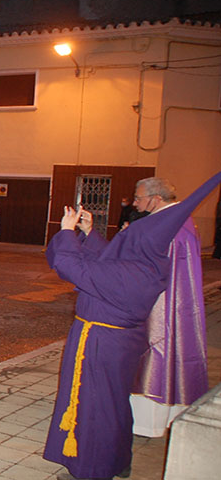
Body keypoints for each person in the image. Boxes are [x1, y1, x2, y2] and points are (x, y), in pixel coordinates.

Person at [42, 171, 221, 480]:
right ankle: (117, 460)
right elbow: (110, 260)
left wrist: (68, 233)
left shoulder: (133, 275)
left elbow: (72, 266)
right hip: (113, 340)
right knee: (113, 402)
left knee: (96, 406)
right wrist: (89, 232)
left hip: (101, 342)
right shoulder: (145, 265)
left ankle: (93, 470)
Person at [129, 177, 208, 438]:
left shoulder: (170, 225)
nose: (134, 202)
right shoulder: (176, 219)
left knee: (156, 351)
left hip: (161, 304)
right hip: (172, 299)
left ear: (157, 198)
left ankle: (146, 422)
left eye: (139, 198)